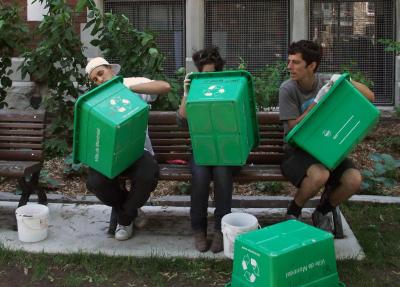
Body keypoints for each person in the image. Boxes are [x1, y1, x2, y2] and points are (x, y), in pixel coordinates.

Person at [279, 40, 374, 232]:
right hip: (297, 152)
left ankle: (322, 211)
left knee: (353, 179)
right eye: (289, 61)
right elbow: (293, 129)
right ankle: (294, 211)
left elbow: (370, 97)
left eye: (295, 62)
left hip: (327, 149)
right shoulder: (288, 89)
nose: (289, 66)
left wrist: (344, 80)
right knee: (320, 175)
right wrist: (317, 103)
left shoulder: (326, 83)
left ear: (311, 66)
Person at [84, 57, 171, 241]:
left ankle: (124, 219)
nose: (99, 80)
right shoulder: (94, 99)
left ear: (110, 69)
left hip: (139, 151)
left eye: (101, 73)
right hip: (109, 154)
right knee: (96, 181)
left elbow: (164, 87)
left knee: (146, 174)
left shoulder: (130, 82)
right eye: (95, 79)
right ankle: (130, 210)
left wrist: (129, 88)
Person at [177, 47, 240, 253]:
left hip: (226, 151)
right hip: (202, 150)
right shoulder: (194, 90)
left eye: (213, 74)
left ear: (220, 73)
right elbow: (182, 121)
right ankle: (199, 230)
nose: (208, 78)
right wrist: (187, 93)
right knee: (200, 175)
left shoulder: (230, 89)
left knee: (222, 173)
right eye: (204, 75)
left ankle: (221, 231)